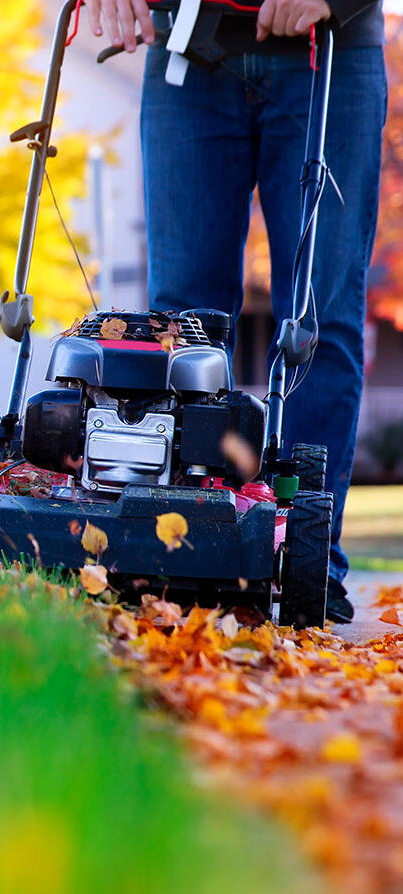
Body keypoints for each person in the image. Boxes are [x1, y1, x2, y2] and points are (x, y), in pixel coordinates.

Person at [82, 0, 386, 621]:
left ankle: (307, 558)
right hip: (189, 56)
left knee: (315, 323)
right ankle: (184, 549)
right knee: (182, 331)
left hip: (328, 51)